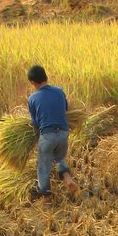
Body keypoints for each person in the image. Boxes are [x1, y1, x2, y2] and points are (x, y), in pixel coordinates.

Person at [26, 64, 78, 201]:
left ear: (32, 82)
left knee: (43, 164)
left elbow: (36, 123)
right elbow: (65, 109)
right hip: (63, 132)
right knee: (59, 158)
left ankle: (44, 191)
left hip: (48, 135)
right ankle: (67, 178)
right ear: (46, 77)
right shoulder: (59, 91)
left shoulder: (32, 98)